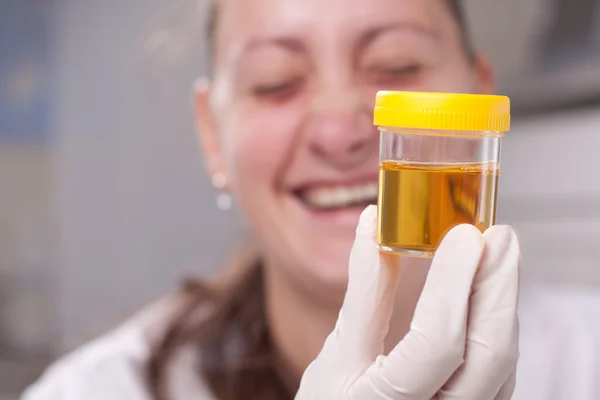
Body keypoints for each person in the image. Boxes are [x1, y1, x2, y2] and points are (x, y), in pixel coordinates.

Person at [22, 0, 600, 399]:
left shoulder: (586, 363)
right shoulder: (95, 392)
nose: (339, 131)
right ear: (211, 136)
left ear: (479, 96)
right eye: (276, 82)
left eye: (397, 67)